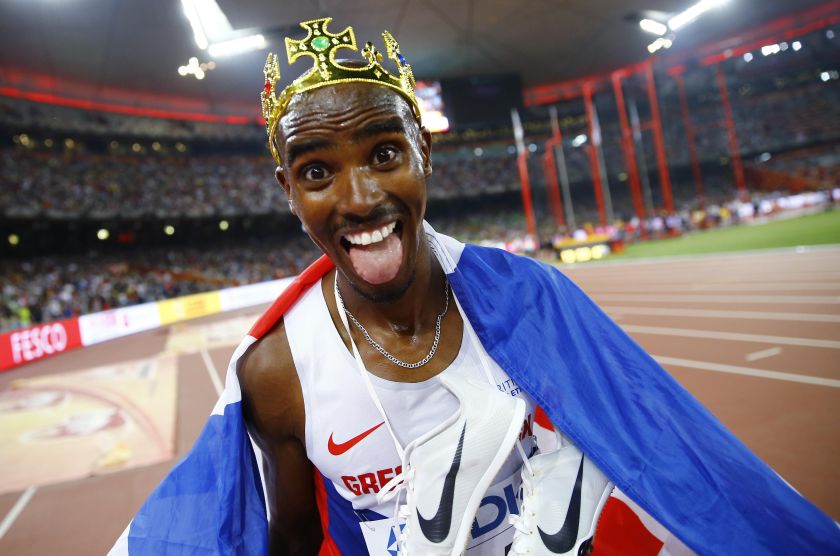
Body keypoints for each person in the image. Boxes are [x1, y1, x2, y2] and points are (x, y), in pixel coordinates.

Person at [111, 17, 839, 556]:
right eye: (317, 171)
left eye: (386, 152)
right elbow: (296, 539)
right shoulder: (276, 374)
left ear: (425, 151)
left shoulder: (532, 302)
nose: (360, 198)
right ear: (287, 191)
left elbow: (668, 450)